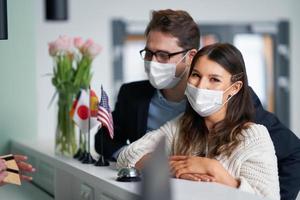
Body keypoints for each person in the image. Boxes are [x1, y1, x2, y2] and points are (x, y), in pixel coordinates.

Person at [95, 9, 300, 200]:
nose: (154, 62)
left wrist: (225, 177)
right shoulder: (176, 123)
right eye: (149, 53)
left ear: (189, 57)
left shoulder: (247, 119)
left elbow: (286, 160)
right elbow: (114, 144)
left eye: (164, 55)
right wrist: (172, 167)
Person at [117, 43, 280, 200]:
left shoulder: (253, 136)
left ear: (235, 88)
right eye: (196, 75)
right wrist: (175, 168)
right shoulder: (180, 125)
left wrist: (214, 170)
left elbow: (268, 197)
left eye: (214, 79)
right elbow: (127, 155)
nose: (201, 85)